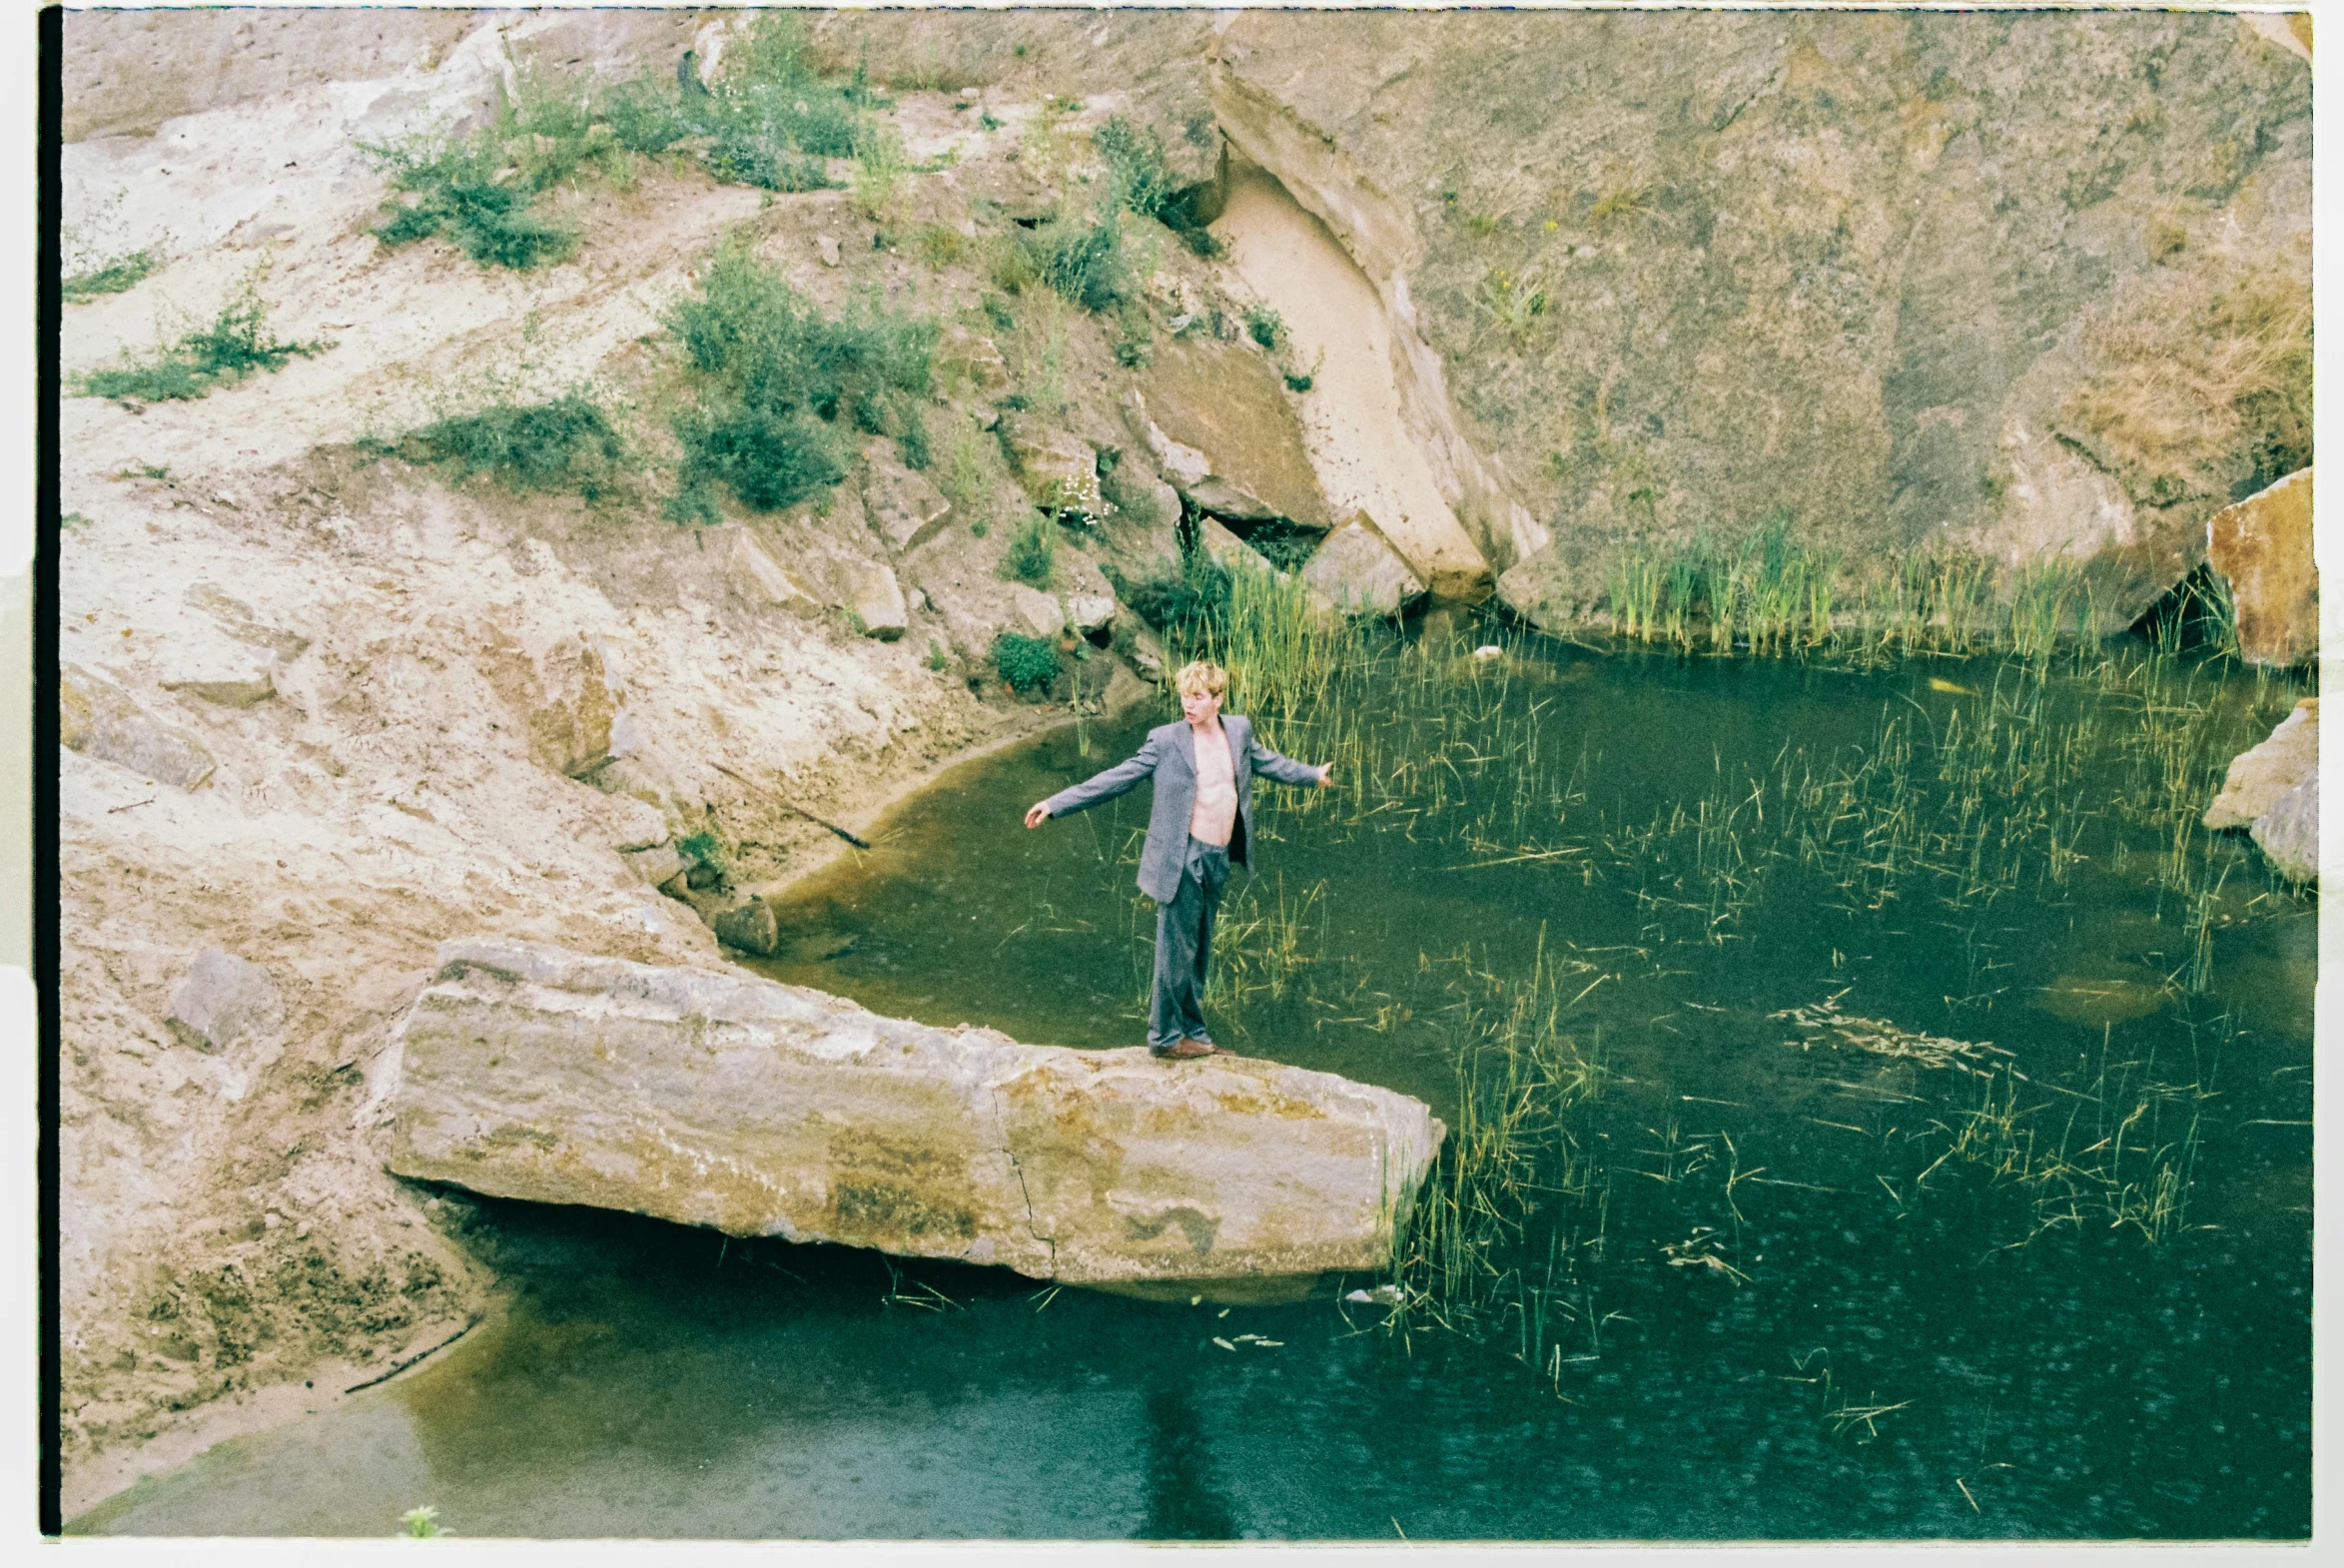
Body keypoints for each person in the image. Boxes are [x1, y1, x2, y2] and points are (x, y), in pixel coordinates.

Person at [1024, 659, 1332, 1059]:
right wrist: (1056, 803)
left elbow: (1268, 762)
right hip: (1183, 857)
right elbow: (1118, 776)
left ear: (1218, 699)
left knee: (1200, 947)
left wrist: (1312, 775)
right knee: (1175, 948)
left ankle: (1192, 1030)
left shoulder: (1237, 731)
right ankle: (1165, 1038)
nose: (1188, 704)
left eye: (1198, 696)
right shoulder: (1166, 740)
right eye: (1185, 695)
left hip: (1219, 856)